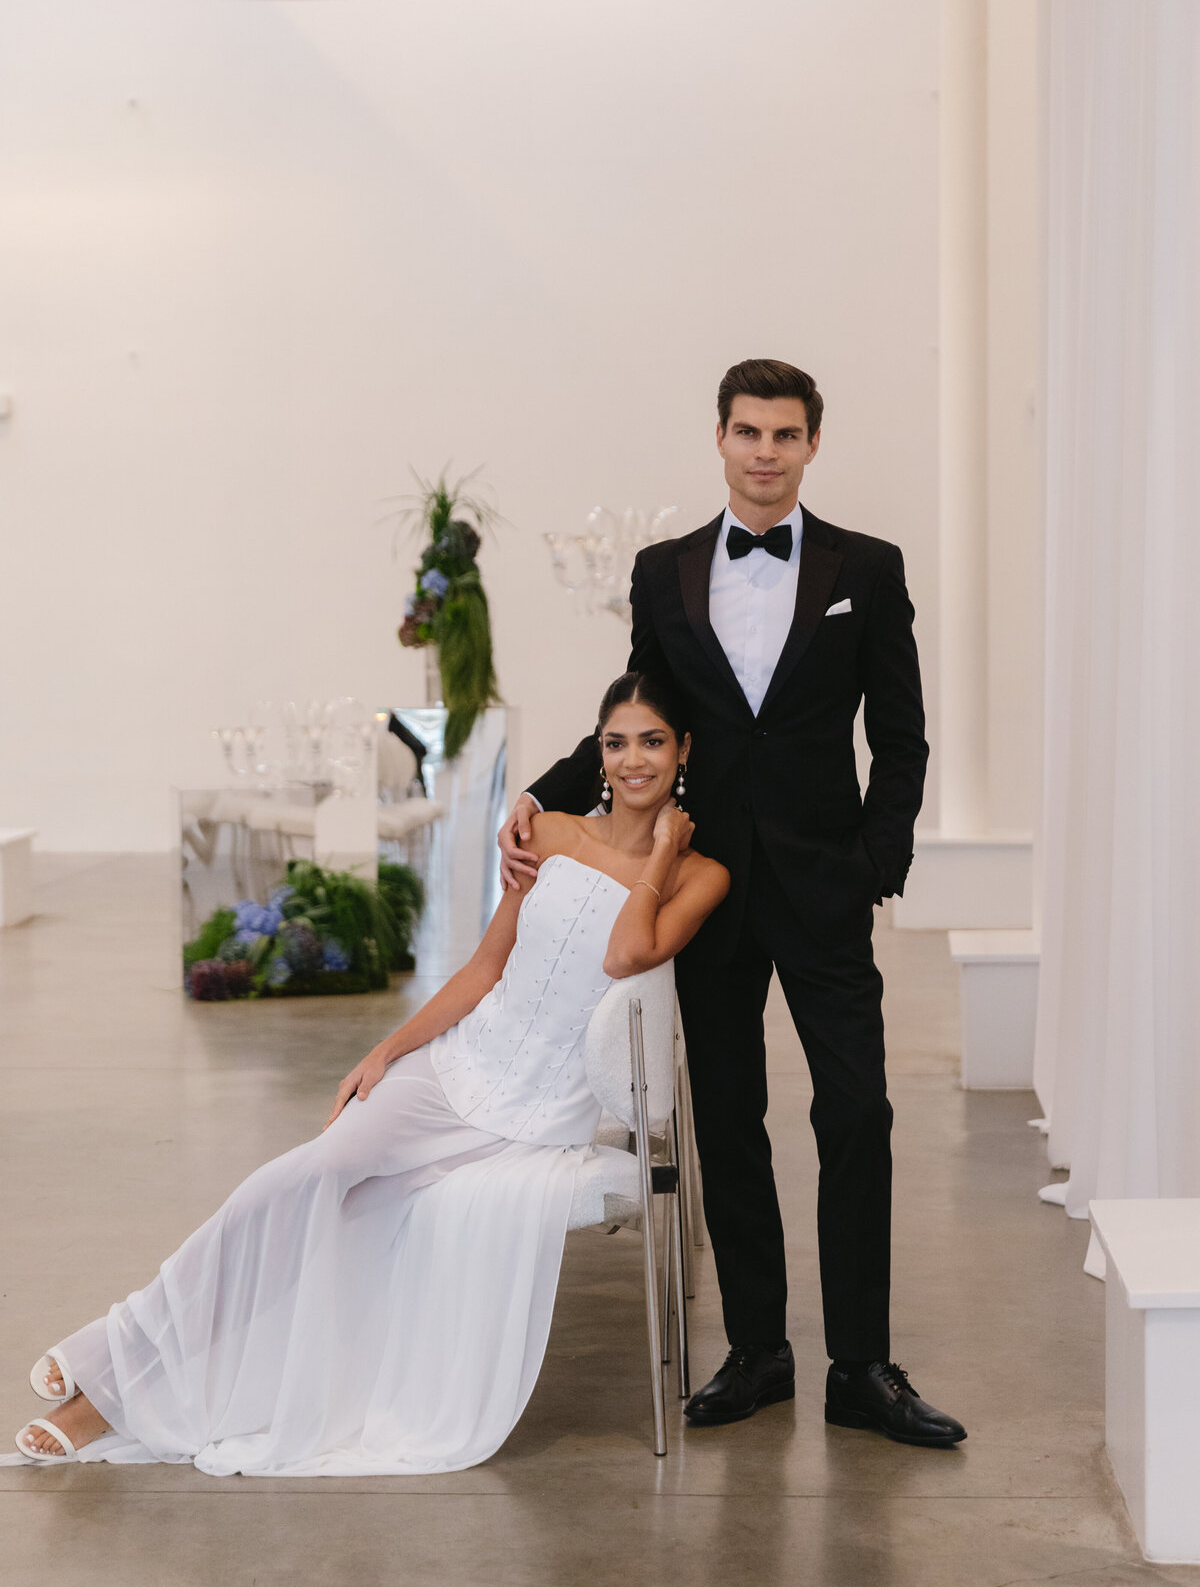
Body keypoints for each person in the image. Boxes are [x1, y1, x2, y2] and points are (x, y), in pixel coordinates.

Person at [13, 674, 727, 1474]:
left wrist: (661, 849)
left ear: (682, 750)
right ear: (597, 752)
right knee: (295, 1185)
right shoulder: (551, 833)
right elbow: (485, 969)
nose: (633, 760)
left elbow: (628, 952)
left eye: (652, 741)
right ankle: (113, 1356)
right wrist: (388, 1052)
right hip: (453, 1074)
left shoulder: (702, 876)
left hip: (530, 1124)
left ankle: (107, 1393)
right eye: (616, 742)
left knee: (354, 1230)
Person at [501, 358, 966, 1447]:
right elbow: (636, 724)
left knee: (858, 1109)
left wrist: (874, 861)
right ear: (719, 439)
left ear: (811, 446)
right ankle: (758, 1350)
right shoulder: (664, 573)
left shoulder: (869, 567)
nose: (766, 452)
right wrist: (543, 793)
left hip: (824, 882)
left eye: (786, 434)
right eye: (748, 432)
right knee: (729, 1115)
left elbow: (900, 739)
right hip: (703, 884)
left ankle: (862, 1364)